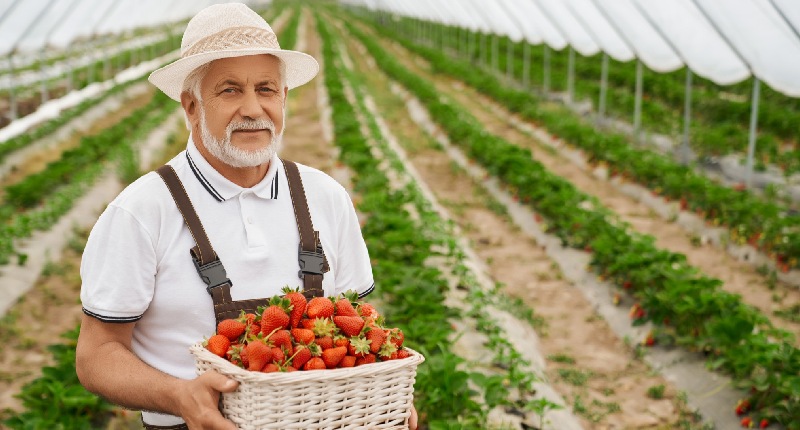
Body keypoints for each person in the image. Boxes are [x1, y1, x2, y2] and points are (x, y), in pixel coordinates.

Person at [75, 3, 418, 429]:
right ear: (192, 105)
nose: (253, 108)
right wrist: (181, 397)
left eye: (267, 89)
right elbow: (96, 356)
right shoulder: (142, 212)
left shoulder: (324, 197)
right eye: (230, 90)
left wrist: (380, 385)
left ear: (284, 97)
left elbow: (357, 325)